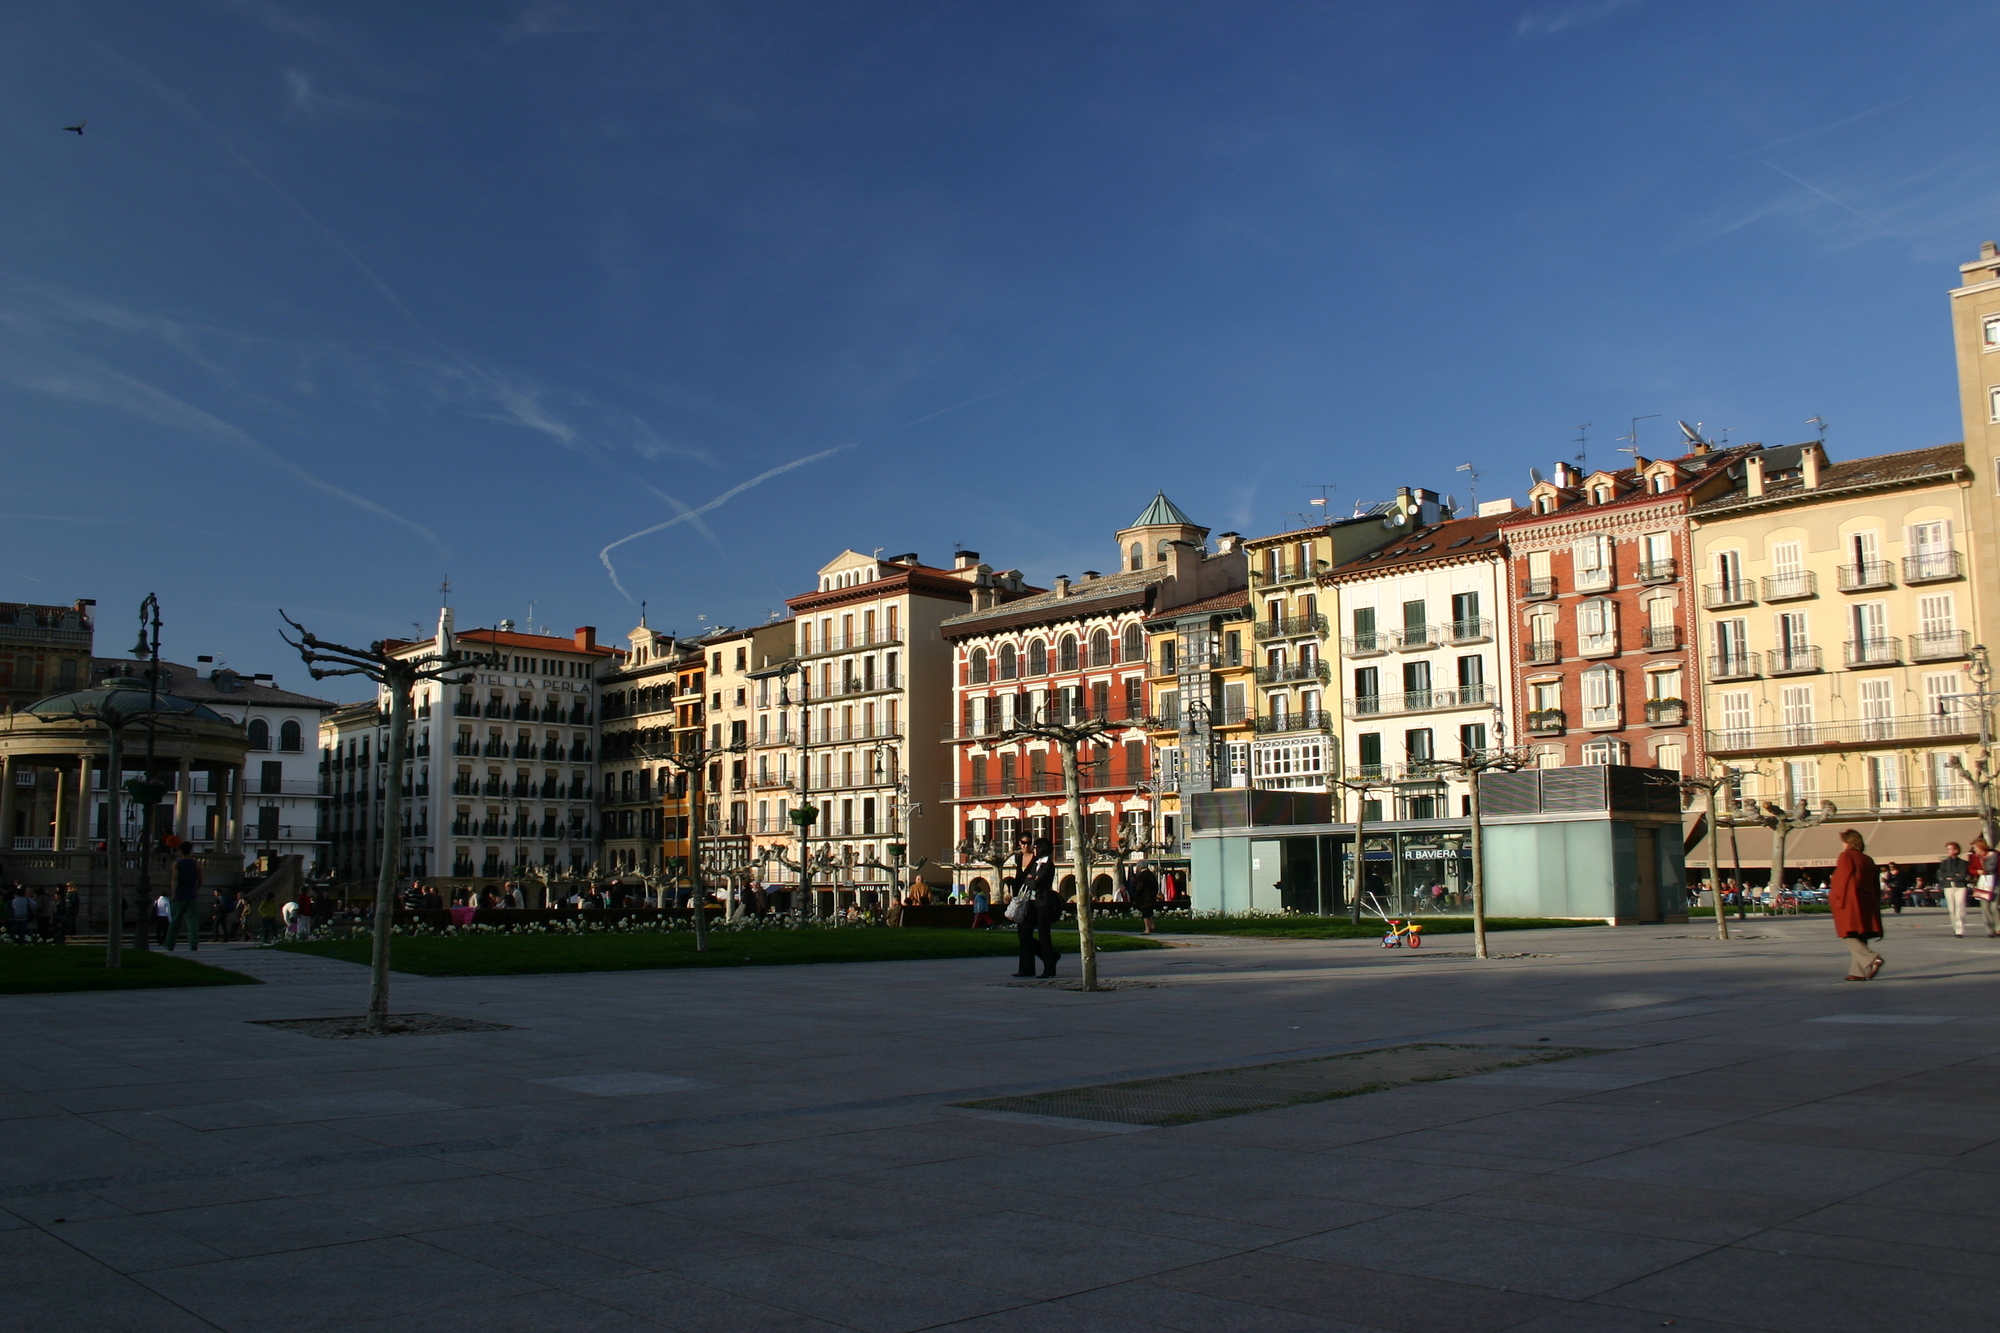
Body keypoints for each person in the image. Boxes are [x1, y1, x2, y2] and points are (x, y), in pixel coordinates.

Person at [1830, 828, 1884, 981]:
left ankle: (1872, 958)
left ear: (1847, 842)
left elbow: (1842, 878)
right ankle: (1858, 972)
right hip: (1867, 899)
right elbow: (1875, 883)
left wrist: (1836, 897)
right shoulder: (1867, 859)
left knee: (1847, 933)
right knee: (1861, 933)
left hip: (1850, 899)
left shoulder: (1846, 856)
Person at [1011, 838, 1059, 978]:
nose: (1034, 849)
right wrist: (1032, 879)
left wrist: (1033, 880)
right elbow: (1027, 880)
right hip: (1031, 903)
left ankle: (1049, 968)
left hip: (1043, 903)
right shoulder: (1036, 864)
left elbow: (1037, 883)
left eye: (1036, 846)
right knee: (1024, 933)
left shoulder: (1048, 865)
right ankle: (1027, 968)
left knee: (1044, 935)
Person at [1937, 842, 1971, 935]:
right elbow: (1940, 875)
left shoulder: (1963, 863)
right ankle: (1955, 926)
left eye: (1949, 849)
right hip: (1948, 886)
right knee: (1951, 909)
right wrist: (1953, 875)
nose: (1947, 851)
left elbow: (1962, 876)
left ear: (1956, 850)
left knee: (1959, 907)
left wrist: (1950, 876)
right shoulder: (1944, 863)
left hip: (1960, 886)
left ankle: (1959, 930)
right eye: (1946, 849)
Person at [1970, 837, 1998, 937]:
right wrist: (1977, 871)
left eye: (1975, 847)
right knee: (1985, 907)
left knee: (1994, 906)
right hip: (1982, 883)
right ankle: (1989, 930)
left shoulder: (1996, 855)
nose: (1974, 850)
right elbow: (1971, 869)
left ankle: (1998, 927)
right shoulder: (1974, 857)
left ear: (1981, 846)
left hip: (1995, 882)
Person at [1128, 862, 1160, 936]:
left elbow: (1140, 886)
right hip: (1152, 897)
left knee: (1145, 913)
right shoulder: (1151, 874)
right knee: (1149, 912)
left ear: (1140, 867)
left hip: (1144, 897)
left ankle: (1147, 929)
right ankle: (1152, 925)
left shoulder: (1142, 875)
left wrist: (1136, 894)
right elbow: (1156, 886)